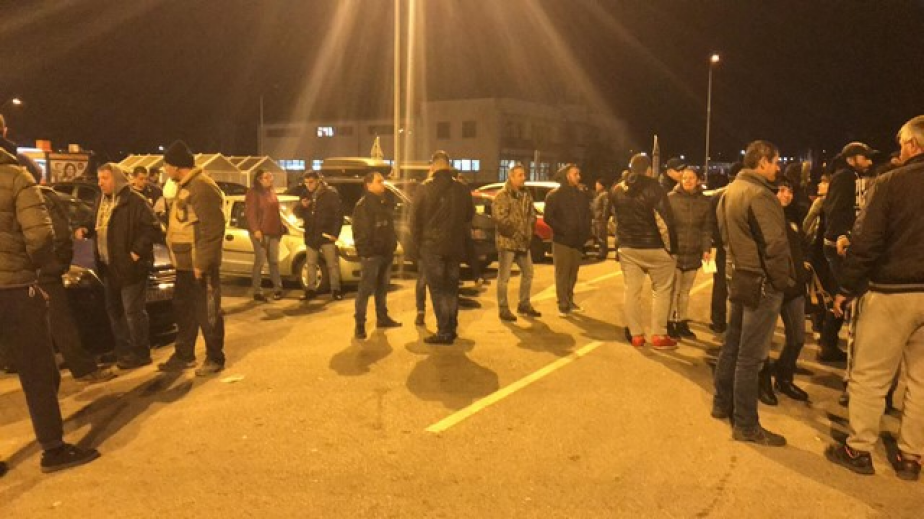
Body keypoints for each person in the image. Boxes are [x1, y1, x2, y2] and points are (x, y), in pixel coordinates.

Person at [826, 115, 924, 481]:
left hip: (891, 292)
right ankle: (911, 456)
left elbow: (866, 242)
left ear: (912, 145)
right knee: (921, 382)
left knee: (870, 376)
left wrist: (845, 288)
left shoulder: (890, 183)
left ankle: (859, 448)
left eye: (902, 143)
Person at [0, 146, 100, 476]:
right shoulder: (16, 177)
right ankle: (53, 448)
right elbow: (41, 235)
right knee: (38, 370)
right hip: (15, 288)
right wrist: (40, 269)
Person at [712, 140, 794, 447]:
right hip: (761, 282)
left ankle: (721, 403)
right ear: (762, 162)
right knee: (750, 356)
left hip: (739, 276)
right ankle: (746, 425)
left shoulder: (729, 191)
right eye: (775, 162)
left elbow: (724, 238)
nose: (777, 167)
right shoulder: (761, 195)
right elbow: (775, 245)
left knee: (732, 344)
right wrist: (781, 281)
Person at [75, 163, 160, 369]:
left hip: (131, 267)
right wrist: (85, 228)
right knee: (115, 311)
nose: (100, 183)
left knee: (133, 311)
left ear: (117, 179)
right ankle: (123, 349)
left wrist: (135, 253)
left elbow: (152, 229)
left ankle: (140, 352)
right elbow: (96, 222)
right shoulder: (101, 200)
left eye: (104, 178)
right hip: (108, 266)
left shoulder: (135, 201)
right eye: (99, 178)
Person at [159, 140, 226, 376]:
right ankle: (184, 354)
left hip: (199, 266)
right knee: (184, 311)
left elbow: (213, 229)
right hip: (184, 265)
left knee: (208, 313)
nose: (165, 169)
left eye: (166, 164)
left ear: (177, 165)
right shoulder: (183, 186)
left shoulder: (202, 187)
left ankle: (215, 357)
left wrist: (202, 263)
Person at [40, 187, 116, 383]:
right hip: (43, 268)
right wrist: (61, 261)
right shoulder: (40, 197)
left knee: (30, 324)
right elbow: (58, 234)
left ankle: (38, 375)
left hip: (17, 272)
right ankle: (83, 369)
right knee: (62, 322)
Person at [610, 154, 677, 348]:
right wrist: (672, 249)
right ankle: (659, 335)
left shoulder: (617, 189)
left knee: (632, 291)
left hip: (628, 248)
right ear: (649, 170)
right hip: (654, 247)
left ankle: (636, 335)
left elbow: (613, 220)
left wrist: (621, 241)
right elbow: (664, 222)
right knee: (661, 290)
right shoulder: (655, 188)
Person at [818, 142, 877, 363]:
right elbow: (836, 211)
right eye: (864, 157)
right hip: (838, 246)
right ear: (852, 159)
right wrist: (842, 235)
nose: (869, 161)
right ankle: (827, 344)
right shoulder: (845, 177)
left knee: (841, 292)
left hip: (839, 243)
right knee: (843, 293)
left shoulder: (851, 176)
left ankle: (827, 343)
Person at [410, 150, 473, 344]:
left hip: (432, 247)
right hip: (454, 246)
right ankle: (451, 327)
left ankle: (444, 330)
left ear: (433, 166)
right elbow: (469, 215)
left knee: (437, 289)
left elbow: (414, 221)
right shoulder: (462, 189)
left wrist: (419, 244)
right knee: (451, 288)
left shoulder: (424, 188)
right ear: (448, 165)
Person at [767, 179, 810, 403]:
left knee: (797, 338)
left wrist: (804, 268)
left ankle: (784, 378)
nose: (786, 195)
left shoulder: (794, 218)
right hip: (774, 287)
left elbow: (802, 247)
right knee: (762, 341)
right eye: (781, 190)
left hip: (795, 289)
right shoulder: (765, 217)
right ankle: (762, 383)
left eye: (790, 191)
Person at [352, 171, 402, 338]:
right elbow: (360, 232)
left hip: (385, 253)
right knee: (365, 290)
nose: (383, 184)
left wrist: (392, 244)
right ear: (369, 185)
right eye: (379, 181)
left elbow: (388, 226)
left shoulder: (383, 202)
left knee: (382, 288)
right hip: (372, 255)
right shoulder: (363, 206)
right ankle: (360, 324)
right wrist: (366, 252)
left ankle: (382, 317)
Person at [667, 167, 713, 340]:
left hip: (693, 252)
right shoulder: (670, 199)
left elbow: (706, 228)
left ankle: (682, 321)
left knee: (685, 291)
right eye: (685, 177)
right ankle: (669, 321)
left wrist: (706, 248)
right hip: (674, 253)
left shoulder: (704, 201)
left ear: (698, 180)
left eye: (691, 178)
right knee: (674, 290)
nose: (687, 181)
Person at [493, 163, 541, 322]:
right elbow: (500, 218)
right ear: (511, 176)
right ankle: (503, 308)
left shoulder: (526, 194)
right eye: (520, 175)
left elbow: (531, 214)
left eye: (524, 174)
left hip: (523, 242)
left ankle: (524, 304)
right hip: (508, 242)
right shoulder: (502, 195)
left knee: (528, 272)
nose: (523, 178)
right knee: (504, 277)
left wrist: (529, 231)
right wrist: (515, 233)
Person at [544, 164, 592, 317]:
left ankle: (570, 300)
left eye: (578, 174)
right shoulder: (554, 195)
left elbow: (587, 215)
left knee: (573, 274)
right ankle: (563, 304)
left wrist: (585, 233)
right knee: (562, 274)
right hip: (562, 241)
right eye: (575, 174)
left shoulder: (581, 195)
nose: (578, 177)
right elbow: (548, 217)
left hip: (577, 241)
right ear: (567, 176)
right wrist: (563, 230)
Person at [294, 171, 343, 301]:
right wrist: (302, 206)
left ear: (318, 181)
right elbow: (297, 212)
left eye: (311, 182)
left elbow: (338, 214)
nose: (308, 185)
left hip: (326, 234)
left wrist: (335, 234)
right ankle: (310, 290)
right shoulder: (305, 194)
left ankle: (335, 289)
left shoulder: (330, 194)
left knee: (332, 264)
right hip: (311, 234)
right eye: (306, 183)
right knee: (311, 263)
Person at [709, 163, 742, 334]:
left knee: (720, 285)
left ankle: (718, 321)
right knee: (739, 286)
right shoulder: (744, 194)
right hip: (739, 247)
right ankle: (737, 323)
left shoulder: (717, 195)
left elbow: (711, 222)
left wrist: (718, 239)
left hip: (723, 246)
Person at [244, 168, 284, 301]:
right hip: (261, 232)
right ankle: (257, 290)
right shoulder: (253, 192)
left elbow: (276, 212)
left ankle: (278, 288)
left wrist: (280, 228)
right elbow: (251, 213)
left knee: (274, 261)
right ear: (259, 179)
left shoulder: (271, 192)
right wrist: (256, 229)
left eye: (271, 177)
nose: (270, 179)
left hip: (274, 231)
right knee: (260, 261)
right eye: (267, 177)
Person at [591, 178, 610, 261]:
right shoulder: (598, 195)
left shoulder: (604, 194)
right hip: (597, 218)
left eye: (597, 185)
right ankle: (602, 251)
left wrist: (604, 217)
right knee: (599, 236)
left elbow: (606, 206)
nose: (596, 186)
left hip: (600, 219)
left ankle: (603, 252)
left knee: (601, 236)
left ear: (602, 186)